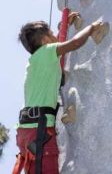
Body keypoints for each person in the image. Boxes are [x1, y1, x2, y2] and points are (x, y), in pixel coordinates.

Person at [13, 12, 103, 174]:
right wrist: (91, 28)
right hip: (37, 130)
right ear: (45, 41)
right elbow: (74, 44)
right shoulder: (46, 53)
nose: (55, 35)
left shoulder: (37, 61)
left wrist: (64, 27)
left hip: (29, 131)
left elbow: (60, 50)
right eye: (52, 33)